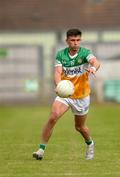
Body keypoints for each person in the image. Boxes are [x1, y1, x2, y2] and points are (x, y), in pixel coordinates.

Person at [33, 28, 100, 160]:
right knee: (53, 117)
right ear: (67, 41)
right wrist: (59, 86)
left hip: (81, 96)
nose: (75, 43)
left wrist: (93, 67)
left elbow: (95, 62)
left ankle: (90, 143)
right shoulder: (61, 55)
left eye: (78, 40)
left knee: (80, 127)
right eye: (72, 40)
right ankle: (41, 149)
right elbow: (58, 73)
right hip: (65, 94)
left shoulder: (85, 53)